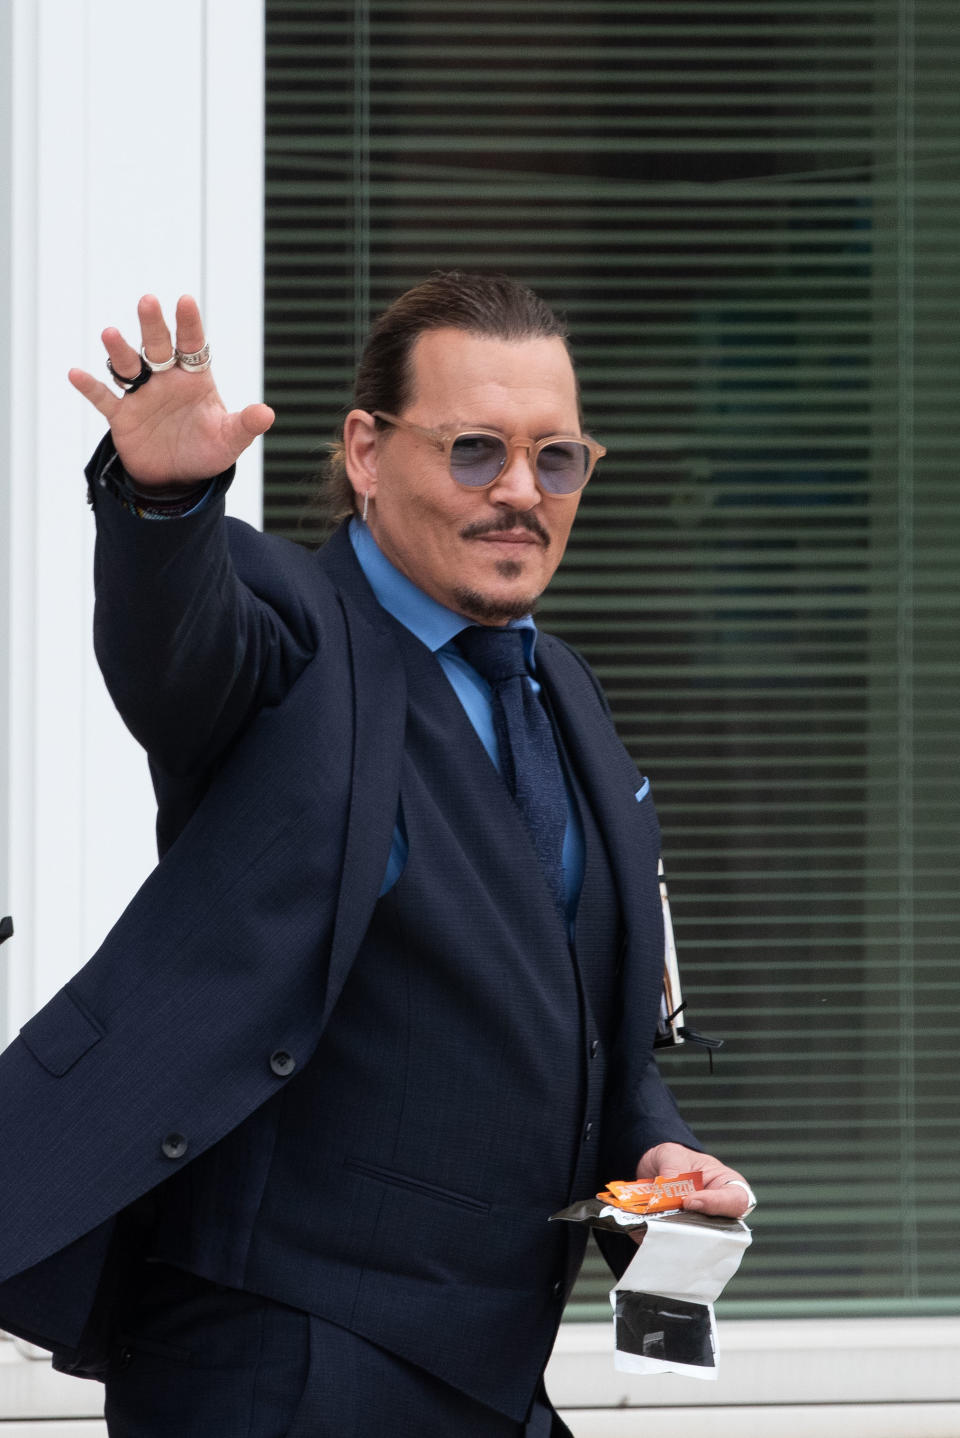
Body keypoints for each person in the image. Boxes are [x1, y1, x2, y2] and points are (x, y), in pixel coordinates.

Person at [0, 273, 754, 1436]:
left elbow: (578, 1018)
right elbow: (178, 647)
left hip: (491, 1375)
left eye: (556, 459)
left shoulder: (565, 692)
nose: (521, 492)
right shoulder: (291, 628)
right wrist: (169, 503)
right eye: (474, 450)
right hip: (280, 1367)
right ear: (364, 450)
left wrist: (662, 1153)